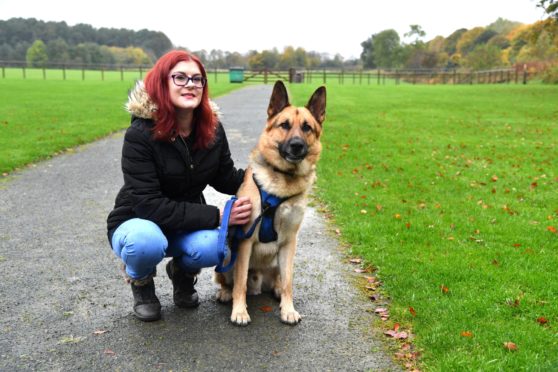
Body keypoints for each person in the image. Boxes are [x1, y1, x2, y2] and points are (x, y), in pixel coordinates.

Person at [106, 50, 251, 322]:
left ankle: (182, 274)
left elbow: (226, 177)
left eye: (198, 79)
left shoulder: (212, 130)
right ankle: (142, 283)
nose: (190, 84)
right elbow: (148, 205)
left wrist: (266, 177)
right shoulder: (140, 135)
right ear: (163, 83)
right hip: (138, 221)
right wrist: (218, 216)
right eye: (180, 77)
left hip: (183, 224)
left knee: (215, 247)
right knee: (145, 242)